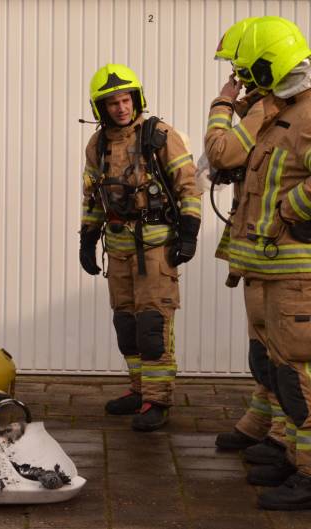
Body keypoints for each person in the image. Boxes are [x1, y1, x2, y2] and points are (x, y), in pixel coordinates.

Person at [79, 64, 202, 431]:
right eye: (113, 102)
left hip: (156, 248)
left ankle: (157, 400)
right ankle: (138, 390)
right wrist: (87, 239)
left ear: (136, 98)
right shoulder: (97, 145)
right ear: (101, 108)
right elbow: (92, 197)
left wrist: (190, 232)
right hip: (117, 247)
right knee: (127, 325)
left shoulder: (160, 135)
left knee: (152, 324)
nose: (121, 107)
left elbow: (188, 186)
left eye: (125, 99)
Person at [229, 15, 311, 510]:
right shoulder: (288, 111)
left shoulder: (308, 114)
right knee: (285, 373)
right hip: (277, 271)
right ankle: (293, 456)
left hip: (298, 272)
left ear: (271, 64)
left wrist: (287, 210)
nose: (245, 80)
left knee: (303, 375)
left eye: (249, 70)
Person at [205, 18, 288, 474]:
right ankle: (263, 419)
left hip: (277, 251)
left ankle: (282, 434)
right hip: (259, 248)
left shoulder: (268, 108)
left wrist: (222, 103)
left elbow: (222, 153)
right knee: (263, 342)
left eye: (238, 70)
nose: (235, 78)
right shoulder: (271, 107)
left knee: (278, 347)